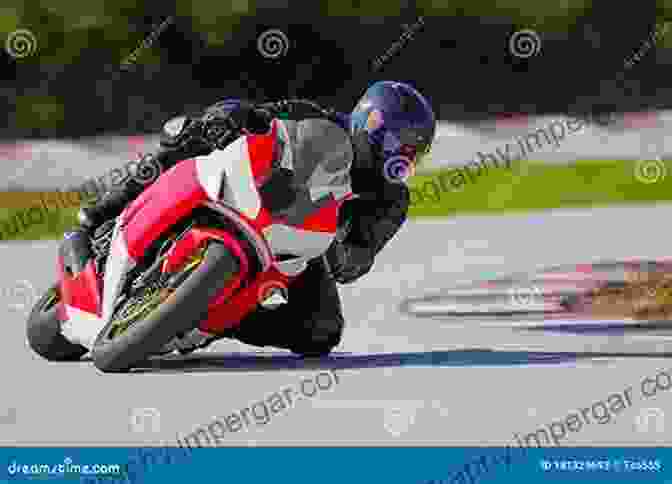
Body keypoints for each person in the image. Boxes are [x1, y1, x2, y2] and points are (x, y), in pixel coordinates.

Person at [76, 81, 436, 356]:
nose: (401, 160)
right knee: (188, 136)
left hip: (304, 244)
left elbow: (361, 255)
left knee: (322, 332)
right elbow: (258, 114)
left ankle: (213, 319)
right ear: (369, 124)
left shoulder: (391, 199)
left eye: (411, 154)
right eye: (397, 146)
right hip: (255, 191)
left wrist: (343, 250)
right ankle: (107, 207)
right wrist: (230, 116)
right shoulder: (314, 116)